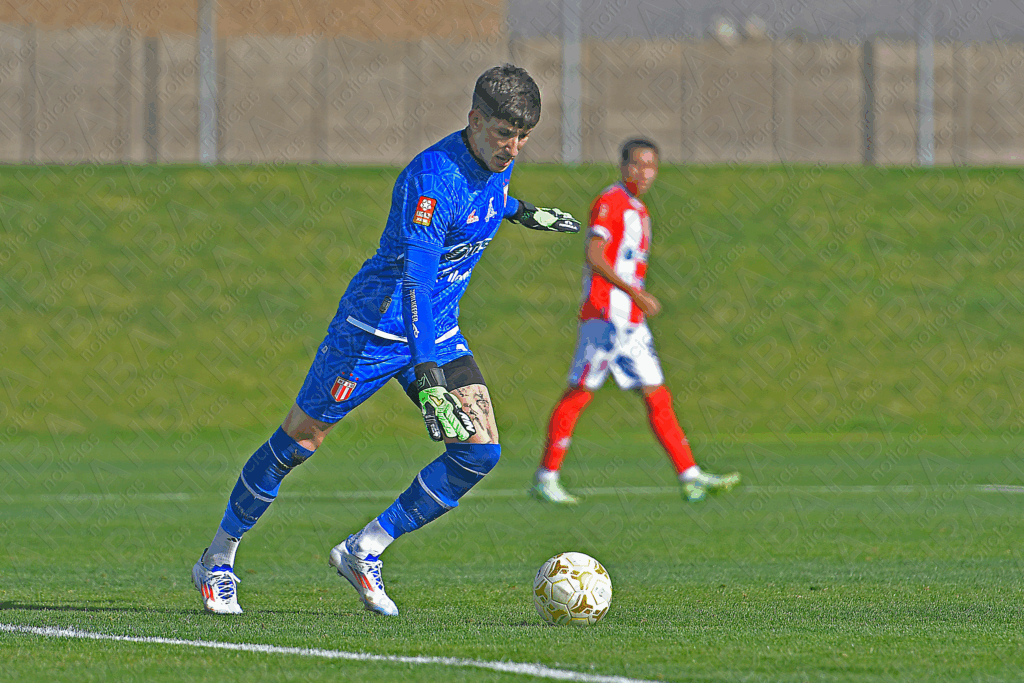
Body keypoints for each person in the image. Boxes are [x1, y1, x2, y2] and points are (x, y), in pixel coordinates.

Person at [192, 64, 581, 616]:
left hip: (436, 330)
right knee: (301, 439)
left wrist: (524, 212)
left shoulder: (496, 162)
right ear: (474, 120)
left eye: (523, 137)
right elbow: (415, 281)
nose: (513, 148)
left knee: (478, 452)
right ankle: (217, 559)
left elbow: (486, 202)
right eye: (503, 134)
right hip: (374, 329)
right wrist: (429, 377)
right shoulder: (432, 180)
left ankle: (364, 549)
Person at [531, 137, 740, 505]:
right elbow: (594, 254)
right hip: (605, 317)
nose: (644, 173)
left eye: (651, 166)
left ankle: (690, 477)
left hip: (631, 323)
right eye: (637, 164)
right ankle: (546, 478)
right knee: (579, 392)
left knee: (657, 395)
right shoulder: (611, 201)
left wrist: (634, 300)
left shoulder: (638, 209)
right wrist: (634, 292)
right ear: (623, 166)